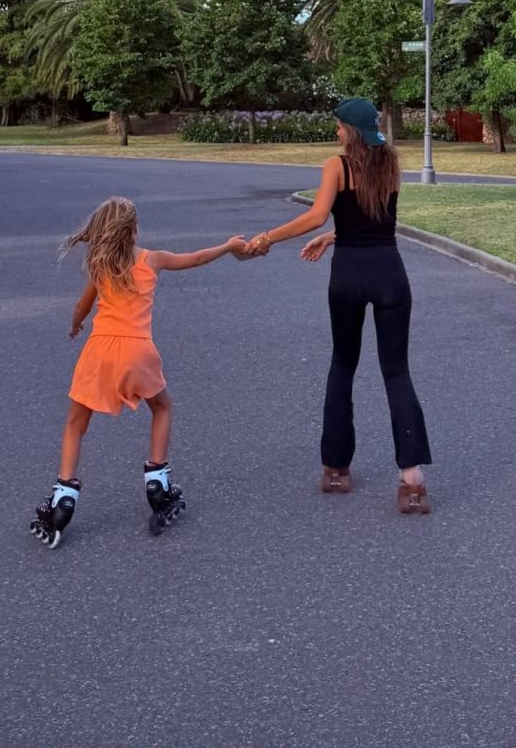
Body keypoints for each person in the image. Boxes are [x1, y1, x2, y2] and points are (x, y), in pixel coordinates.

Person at [245, 98, 432, 512]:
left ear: (351, 131)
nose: (336, 132)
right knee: (396, 371)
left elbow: (317, 215)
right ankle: (413, 481)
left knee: (343, 364)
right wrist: (336, 235)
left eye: (339, 126)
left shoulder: (337, 166)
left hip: (348, 275)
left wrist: (268, 237)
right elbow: (377, 222)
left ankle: (336, 469)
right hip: (389, 272)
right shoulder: (391, 164)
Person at [30, 196, 248, 546]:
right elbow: (195, 258)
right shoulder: (153, 259)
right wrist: (227, 246)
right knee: (161, 408)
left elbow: (82, 306)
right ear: (133, 230)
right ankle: (157, 480)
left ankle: (64, 495)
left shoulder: (100, 267)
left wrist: (75, 325)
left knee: (76, 423)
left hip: (99, 352)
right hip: (139, 352)